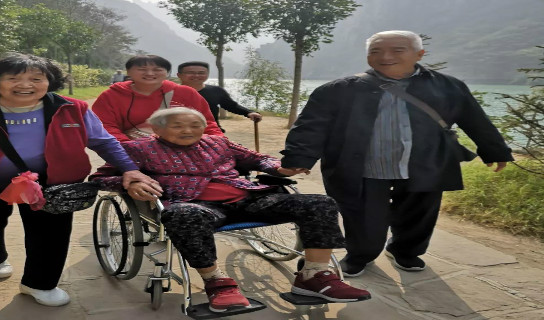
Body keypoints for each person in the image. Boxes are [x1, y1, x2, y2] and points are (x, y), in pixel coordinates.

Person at [281, 30, 514, 277]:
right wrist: (298, 158)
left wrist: (495, 150)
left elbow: (475, 119)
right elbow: (312, 125)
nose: (385, 57)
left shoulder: (448, 86)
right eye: (376, 51)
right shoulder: (339, 89)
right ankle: (360, 254)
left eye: (397, 50)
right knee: (363, 218)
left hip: (425, 163)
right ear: (368, 56)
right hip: (363, 167)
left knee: (419, 214)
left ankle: (405, 251)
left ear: (419, 54)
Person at [91, 107, 371, 312]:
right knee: (183, 215)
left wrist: (279, 168)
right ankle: (216, 282)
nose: (188, 130)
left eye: (195, 125)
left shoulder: (218, 142)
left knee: (319, 203)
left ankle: (314, 276)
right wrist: (131, 182)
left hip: (248, 200)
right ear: (157, 129)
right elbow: (101, 177)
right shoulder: (137, 149)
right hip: (195, 204)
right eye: (177, 126)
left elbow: (257, 159)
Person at [0, 54, 157, 307]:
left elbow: (104, 142)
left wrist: (130, 169)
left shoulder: (72, 108)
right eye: (13, 78)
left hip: (52, 182)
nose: (26, 85)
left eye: (37, 79)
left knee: (51, 234)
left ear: (50, 81)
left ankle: (40, 283)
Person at [92, 55, 222, 142]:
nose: (150, 73)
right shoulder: (111, 96)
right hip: (132, 151)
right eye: (142, 69)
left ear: (167, 73)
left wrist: (218, 141)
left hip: (185, 148)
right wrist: (128, 146)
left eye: (157, 69)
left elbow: (206, 122)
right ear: (129, 72)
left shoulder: (186, 93)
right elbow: (105, 126)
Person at [177, 61, 262, 132]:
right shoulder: (171, 92)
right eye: (190, 73)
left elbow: (231, 106)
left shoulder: (216, 91)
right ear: (179, 75)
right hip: (177, 132)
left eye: (201, 73)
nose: (196, 76)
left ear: (207, 74)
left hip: (210, 132)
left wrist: (249, 112)